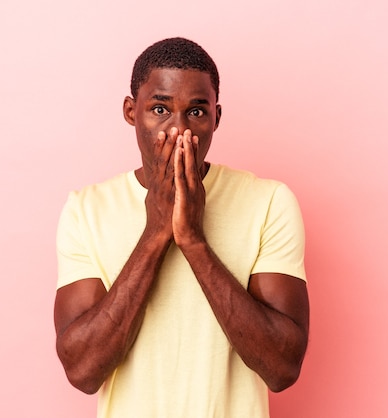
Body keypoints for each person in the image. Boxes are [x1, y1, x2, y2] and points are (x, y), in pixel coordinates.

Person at [54, 37, 310, 417]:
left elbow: (282, 368)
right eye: (160, 109)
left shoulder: (269, 202)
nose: (179, 131)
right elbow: (82, 371)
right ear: (130, 111)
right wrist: (156, 232)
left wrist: (193, 241)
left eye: (196, 112)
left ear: (216, 118)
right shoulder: (85, 210)